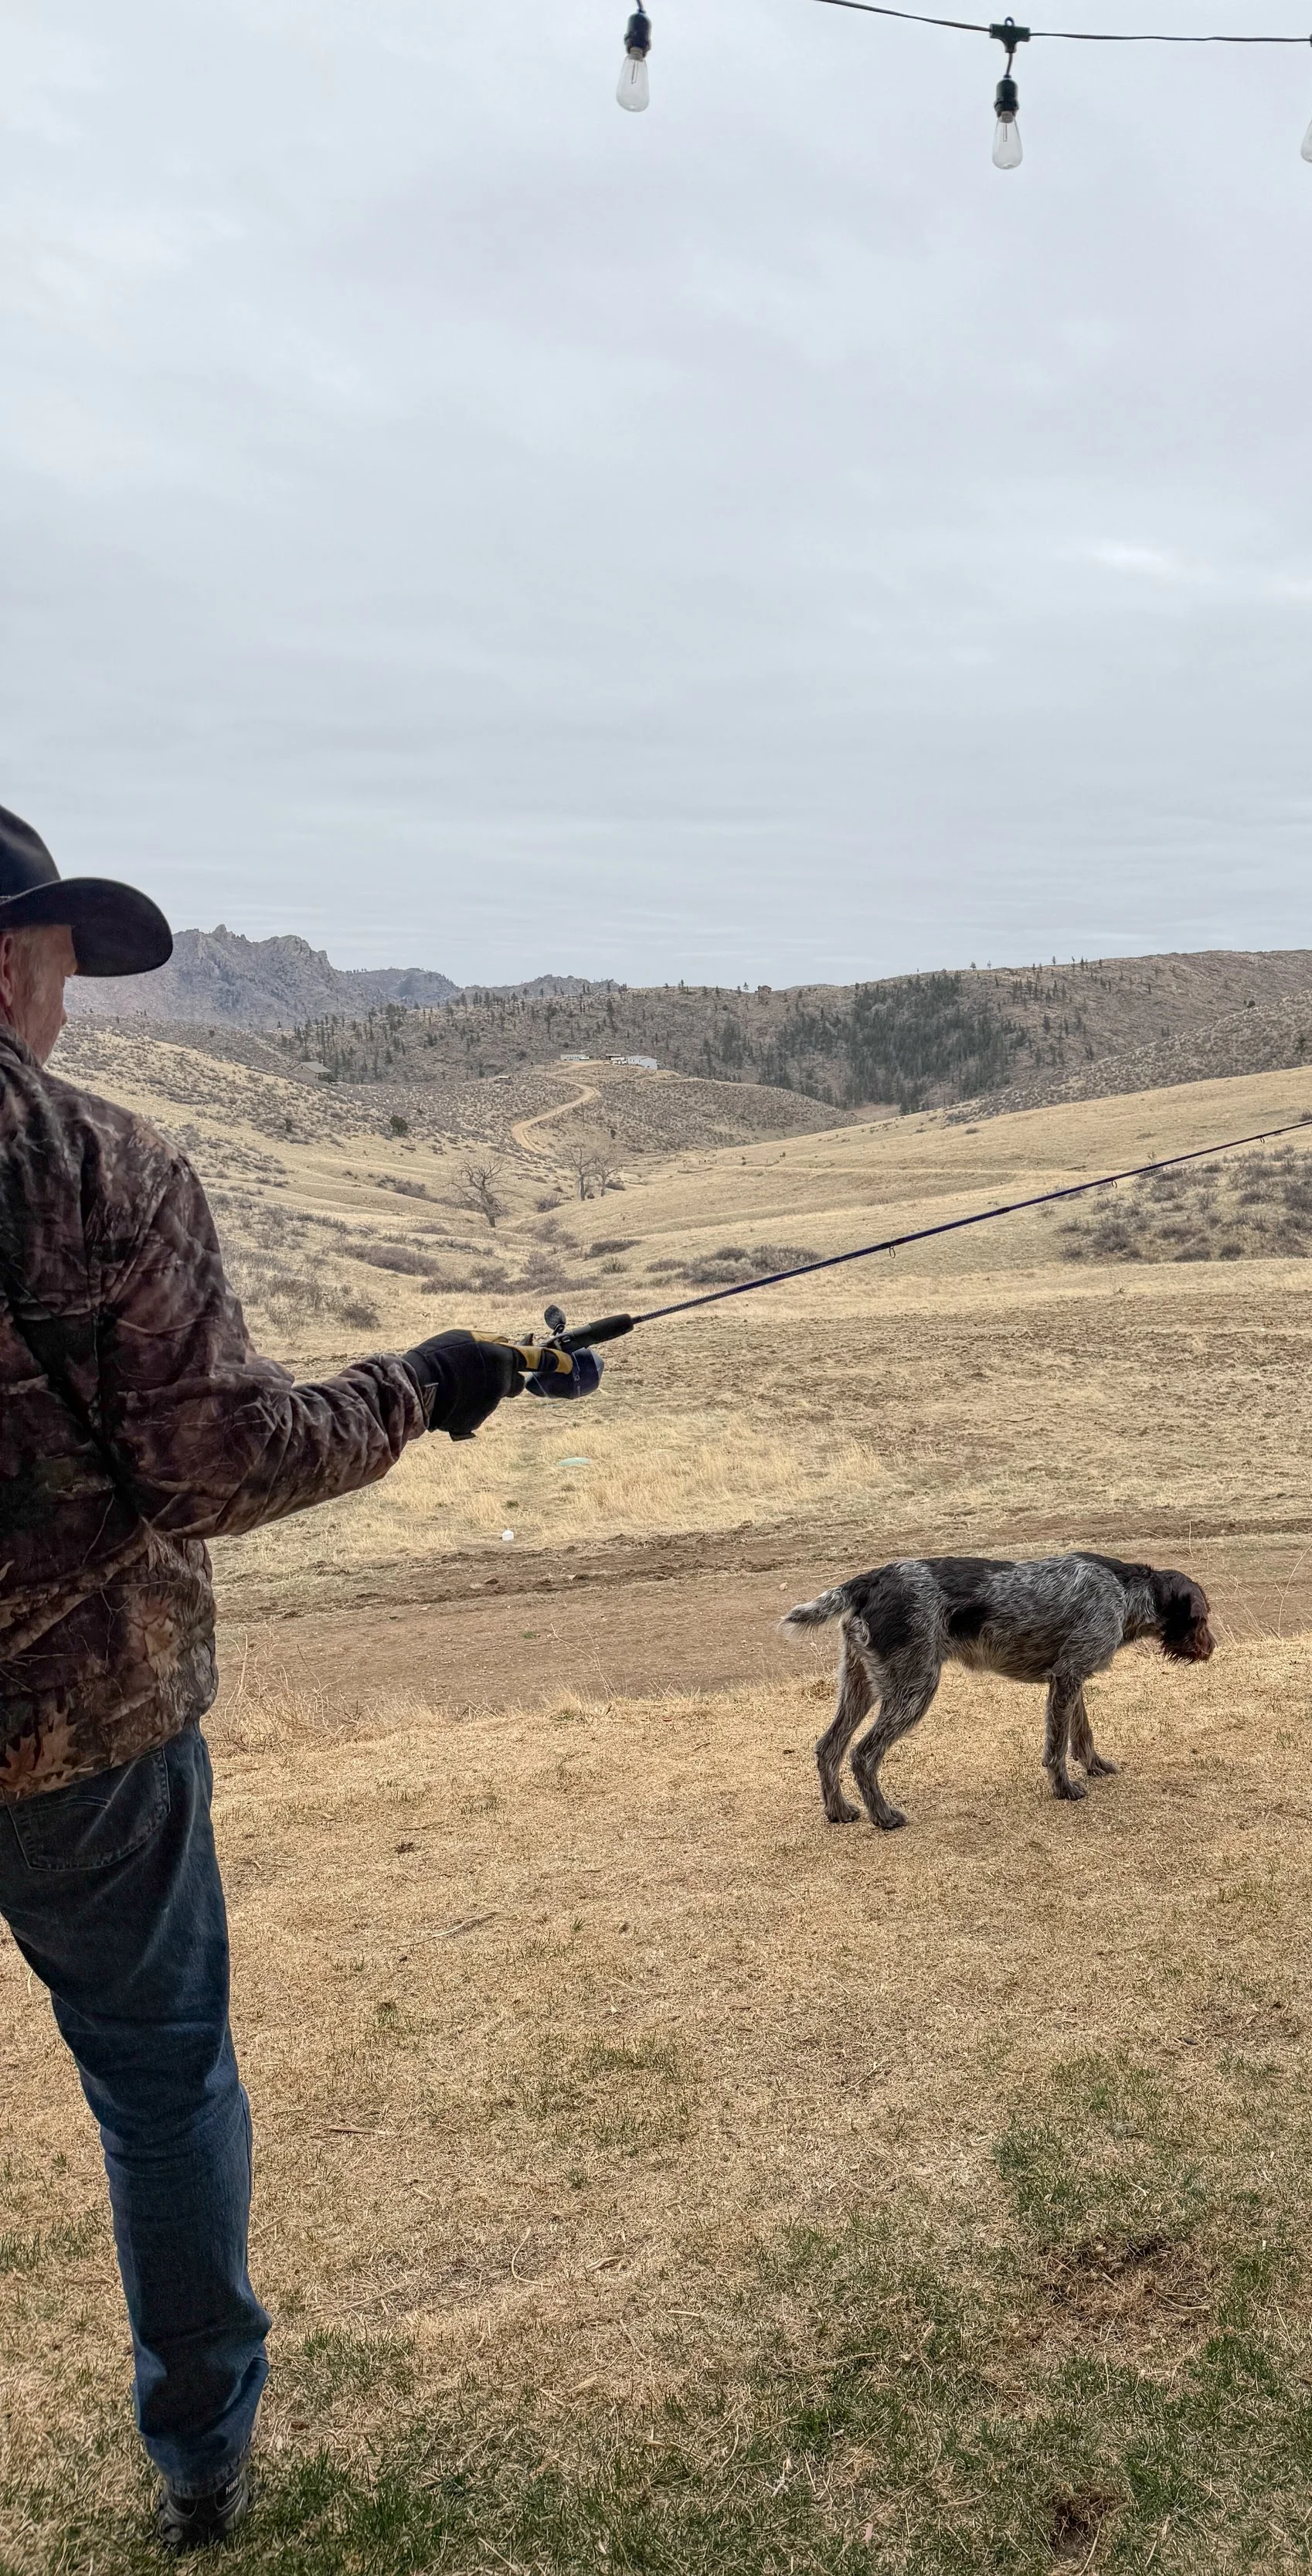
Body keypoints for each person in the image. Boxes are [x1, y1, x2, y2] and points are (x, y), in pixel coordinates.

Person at [0, 805, 539, 2550]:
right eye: (66, 968)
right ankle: (202, 2457)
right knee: (160, 2082)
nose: (67, 1006)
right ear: (12, 963)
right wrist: (426, 1383)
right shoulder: (103, 1171)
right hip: (82, 1735)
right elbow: (213, 1467)